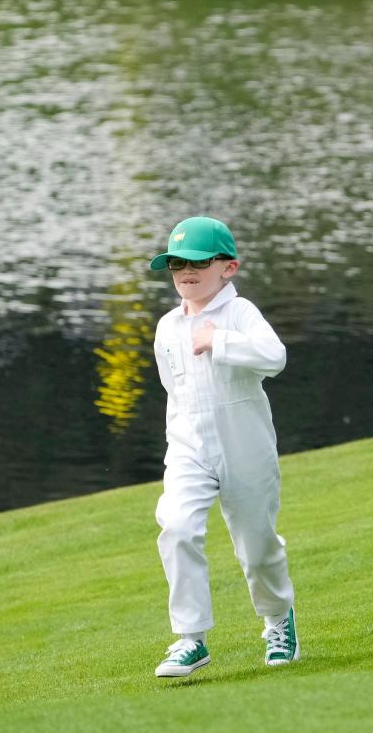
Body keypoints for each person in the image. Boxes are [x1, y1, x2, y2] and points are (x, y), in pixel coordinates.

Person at [148, 215, 299, 676]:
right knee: (175, 526)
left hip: (244, 442)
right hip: (188, 444)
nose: (185, 271)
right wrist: (179, 446)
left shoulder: (240, 313)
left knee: (256, 547)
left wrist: (220, 341)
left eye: (197, 261)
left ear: (228, 268)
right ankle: (190, 638)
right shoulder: (167, 327)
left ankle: (278, 620)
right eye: (176, 263)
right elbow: (175, 392)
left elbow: (275, 358)